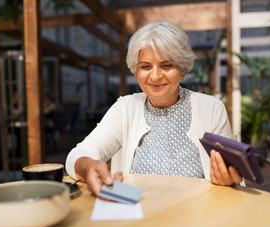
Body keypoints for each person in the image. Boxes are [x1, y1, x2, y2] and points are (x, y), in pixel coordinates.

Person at [65, 21, 242, 197]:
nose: (155, 75)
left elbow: (235, 175)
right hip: (139, 212)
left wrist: (229, 179)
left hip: (197, 213)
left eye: (167, 65)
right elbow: (77, 155)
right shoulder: (125, 108)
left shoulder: (211, 108)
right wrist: (88, 166)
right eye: (145, 66)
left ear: (183, 70)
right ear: (136, 71)